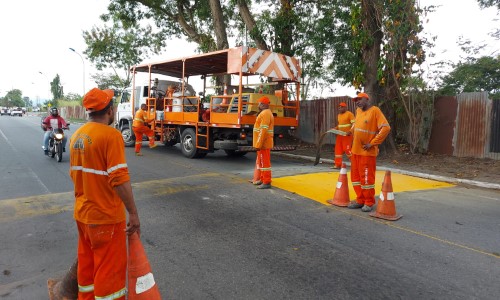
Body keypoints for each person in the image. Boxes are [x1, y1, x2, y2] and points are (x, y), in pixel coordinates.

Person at [69, 88, 140, 300]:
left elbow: (75, 176)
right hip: (105, 218)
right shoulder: (111, 135)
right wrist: (133, 213)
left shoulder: (76, 136)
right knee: (110, 275)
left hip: (83, 215)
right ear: (110, 110)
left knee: (87, 268)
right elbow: (118, 178)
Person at [348, 92, 391, 212]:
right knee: (356, 178)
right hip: (355, 152)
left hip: (367, 153)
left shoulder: (375, 110)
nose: (357, 102)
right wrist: (350, 131)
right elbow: (357, 124)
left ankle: (369, 201)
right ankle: (360, 200)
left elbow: (386, 128)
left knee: (367, 179)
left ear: (367, 99)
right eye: (356, 100)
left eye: (359, 99)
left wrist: (373, 143)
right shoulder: (358, 111)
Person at [251, 96, 274, 189]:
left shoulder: (265, 114)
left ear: (264, 104)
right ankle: (262, 179)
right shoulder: (266, 113)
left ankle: (266, 182)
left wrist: (258, 144)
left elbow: (263, 130)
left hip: (263, 144)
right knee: (261, 163)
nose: (258, 105)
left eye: (259, 103)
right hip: (263, 143)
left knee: (265, 163)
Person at [331, 102, 355, 169]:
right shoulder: (339, 115)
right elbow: (340, 125)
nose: (340, 108)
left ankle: (355, 163)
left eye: (341, 107)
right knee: (337, 150)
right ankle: (338, 164)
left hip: (347, 135)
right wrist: (335, 129)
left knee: (347, 150)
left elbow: (354, 124)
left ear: (345, 107)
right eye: (339, 107)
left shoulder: (349, 114)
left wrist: (350, 131)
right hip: (340, 135)